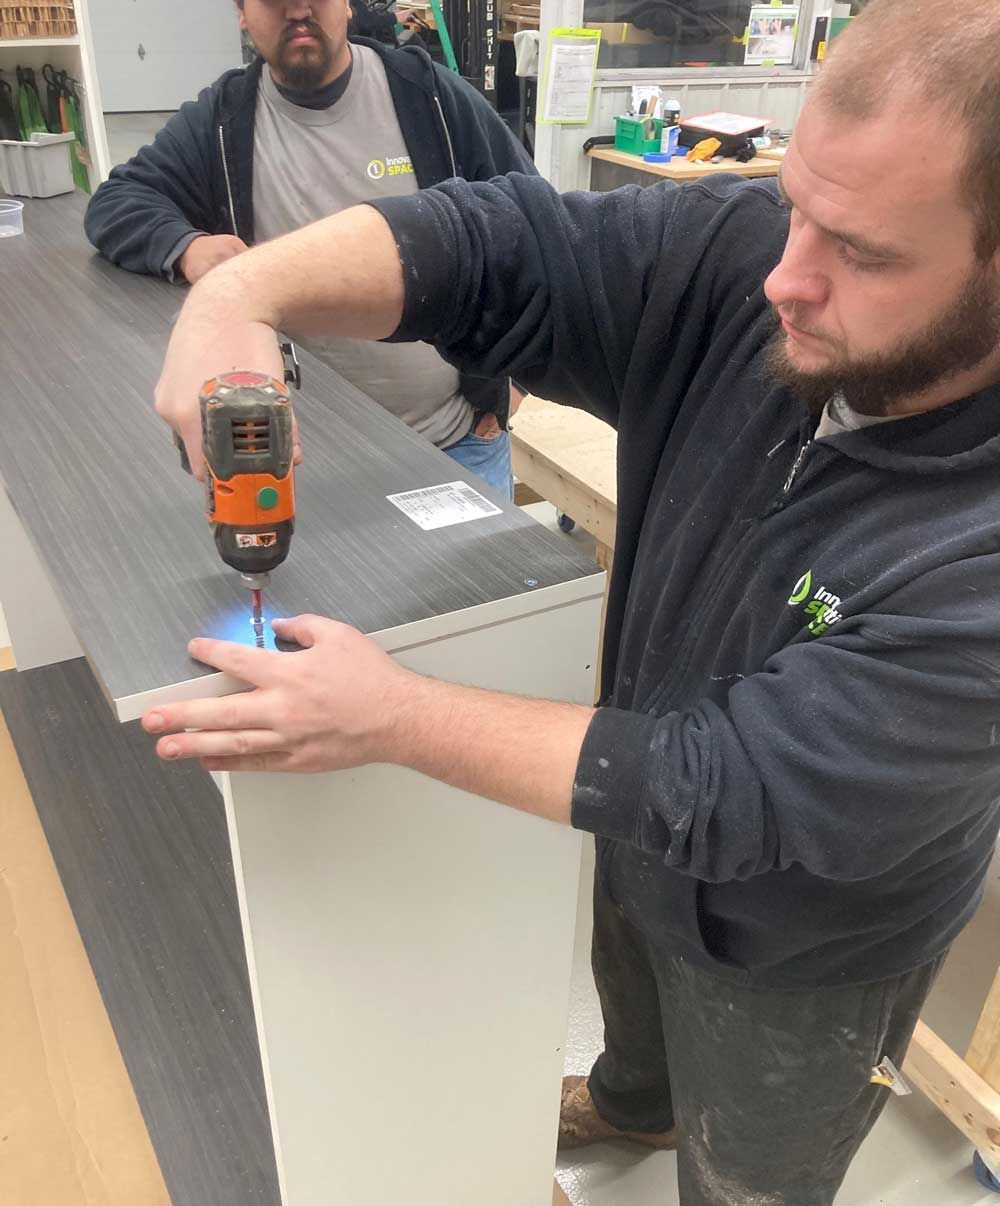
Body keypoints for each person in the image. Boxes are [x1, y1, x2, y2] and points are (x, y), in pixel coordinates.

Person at [143, 0, 1000, 1201]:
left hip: (811, 942)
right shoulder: (751, 262)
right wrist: (237, 299)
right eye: (797, 203)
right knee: (635, 1013)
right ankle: (633, 1104)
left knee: (753, 1165)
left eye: (860, 252)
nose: (783, 280)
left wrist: (388, 716)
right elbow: (497, 242)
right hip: (646, 834)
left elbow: (723, 788)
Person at [84, 0, 535, 498]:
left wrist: (514, 384)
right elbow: (118, 200)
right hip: (306, 465)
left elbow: (532, 220)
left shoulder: (429, 97)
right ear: (241, 13)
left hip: (455, 444)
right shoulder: (223, 120)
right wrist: (187, 247)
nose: (298, 9)